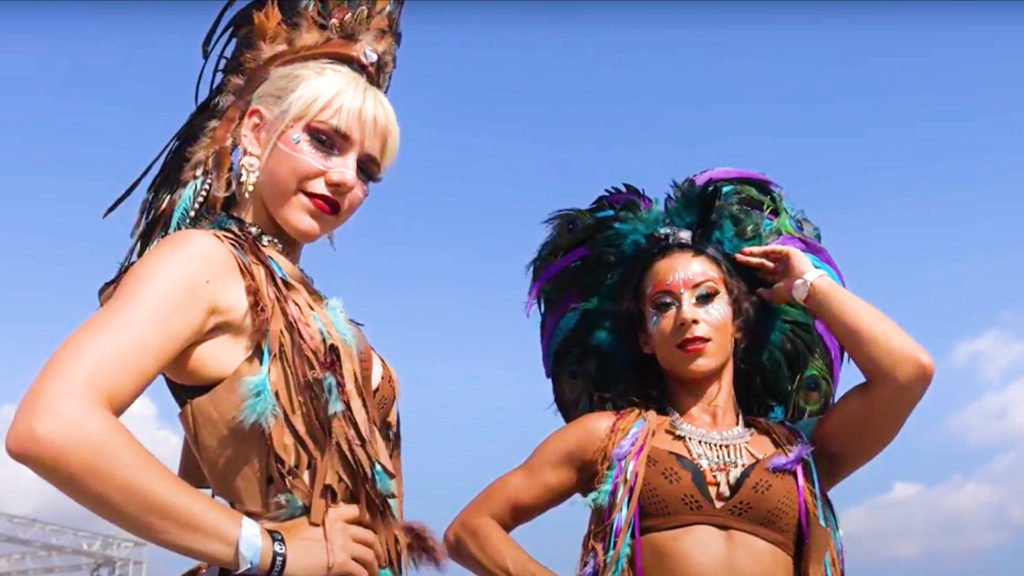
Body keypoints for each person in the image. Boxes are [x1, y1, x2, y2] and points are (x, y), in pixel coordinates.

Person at [6, 2, 443, 575]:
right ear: (256, 131)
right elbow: (50, 425)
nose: (345, 178)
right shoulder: (204, 260)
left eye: (366, 169)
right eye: (323, 141)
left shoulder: (305, 298)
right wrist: (269, 549)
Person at [444, 168, 934, 575]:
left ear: (738, 323)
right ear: (644, 337)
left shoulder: (798, 454)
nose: (686, 316)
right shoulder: (608, 441)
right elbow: (471, 530)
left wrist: (809, 284)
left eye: (706, 296)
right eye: (663, 304)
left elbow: (908, 372)